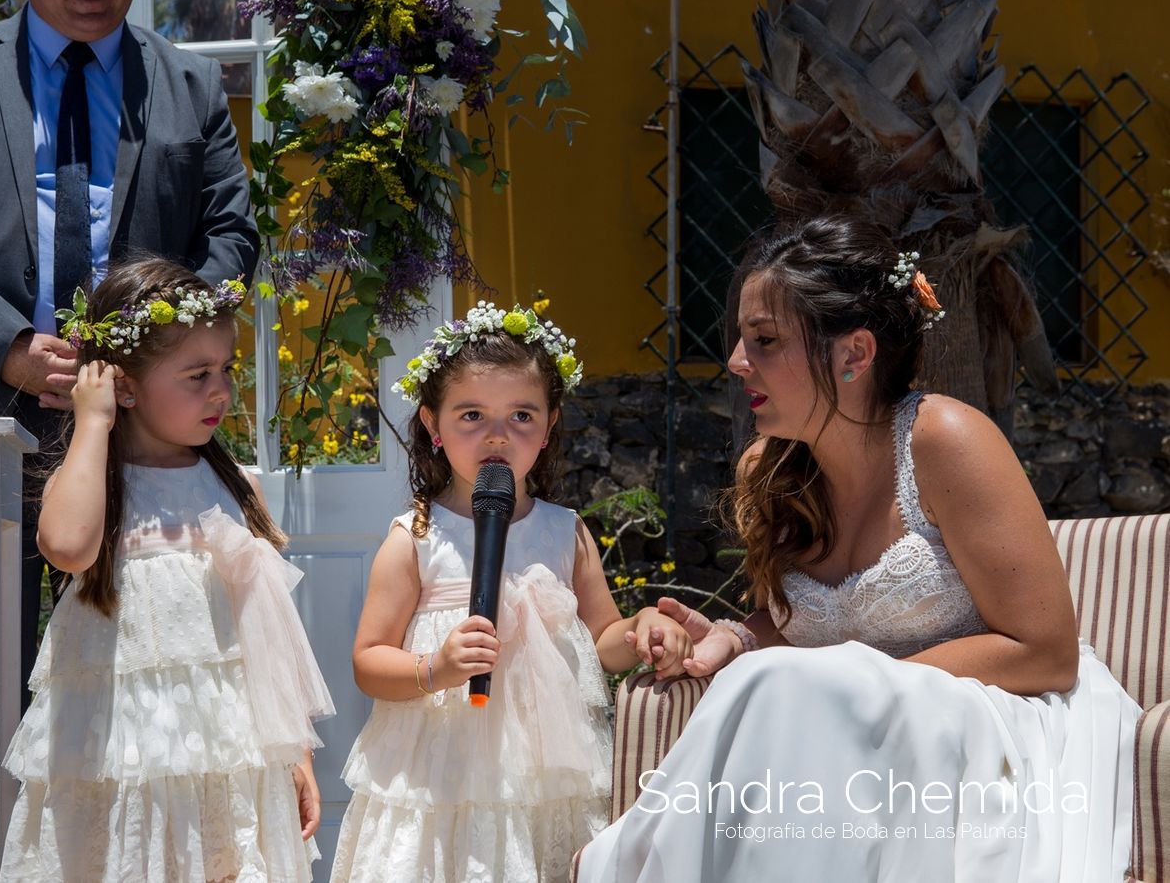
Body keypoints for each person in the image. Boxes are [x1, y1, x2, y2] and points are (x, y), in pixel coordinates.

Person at [575, 215, 1141, 882]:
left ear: (855, 354)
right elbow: (811, 630)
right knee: (772, 686)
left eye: (763, 340)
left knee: (789, 693)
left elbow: (1044, 652)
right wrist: (737, 637)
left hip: (993, 725)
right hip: (849, 735)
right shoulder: (771, 469)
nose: (735, 361)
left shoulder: (946, 441)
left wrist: (857, 682)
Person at [0, 0, 258, 876]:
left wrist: (157, 353)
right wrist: (2, 346)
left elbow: (230, 236)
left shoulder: (189, 88)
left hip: (145, 438)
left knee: (142, 683)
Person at [328, 303, 694, 882]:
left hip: (543, 777)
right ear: (432, 425)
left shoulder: (563, 531)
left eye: (522, 415)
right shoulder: (417, 538)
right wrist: (435, 666)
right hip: (444, 771)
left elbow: (604, 638)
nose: (498, 435)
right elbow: (369, 660)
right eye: (472, 414)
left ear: (549, 427)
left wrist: (643, 624)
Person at [0, 259, 331, 880]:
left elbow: (271, 634)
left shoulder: (234, 489)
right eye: (197, 374)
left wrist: (297, 750)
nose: (221, 391)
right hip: (121, 751)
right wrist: (91, 422)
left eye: (225, 370)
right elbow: (67, 545)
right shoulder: (100, 483)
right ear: (122, 386)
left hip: (231, 752)